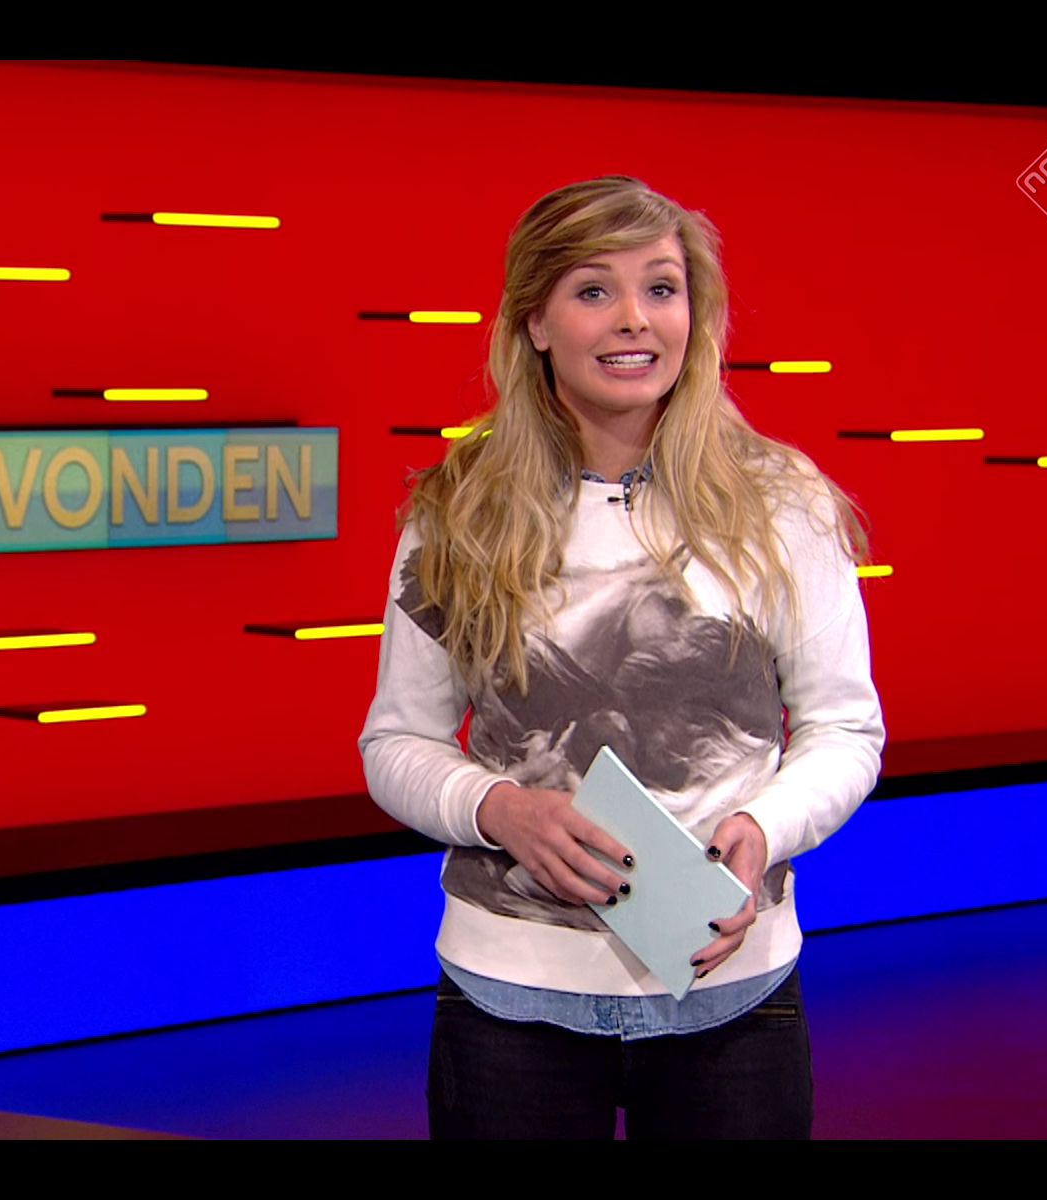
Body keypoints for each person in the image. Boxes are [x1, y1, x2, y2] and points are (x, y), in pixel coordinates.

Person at [357, 176, 886, 1140]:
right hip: (510, 1002)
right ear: (535, 323)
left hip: (735, 1000)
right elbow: (397, 742)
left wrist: (763, 828)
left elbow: (845, 728)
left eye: (662, 287)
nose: (634, 318)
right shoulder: (457, 512)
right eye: (594, 290)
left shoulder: (783, 503)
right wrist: (498, 808)